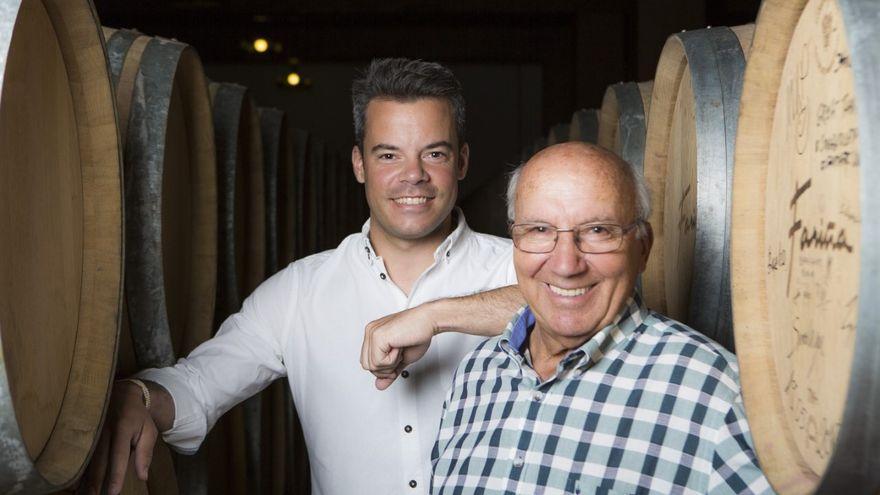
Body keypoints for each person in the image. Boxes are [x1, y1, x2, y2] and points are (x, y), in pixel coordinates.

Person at [84, 57, 524, 495]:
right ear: (359, 164)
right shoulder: (300, 290)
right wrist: (139, 395)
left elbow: (580, 307)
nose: (414, 175)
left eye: (434, 153)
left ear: (462, 162)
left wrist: (435, 315)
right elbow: (199, 386)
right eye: (389, 154)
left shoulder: (516, 266)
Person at [429, 143, 774, 494]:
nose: (566, 265)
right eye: (539, 230)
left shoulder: (716, 396)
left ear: (642, 249)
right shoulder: (476, 375)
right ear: (515, 240)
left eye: (597, 231)